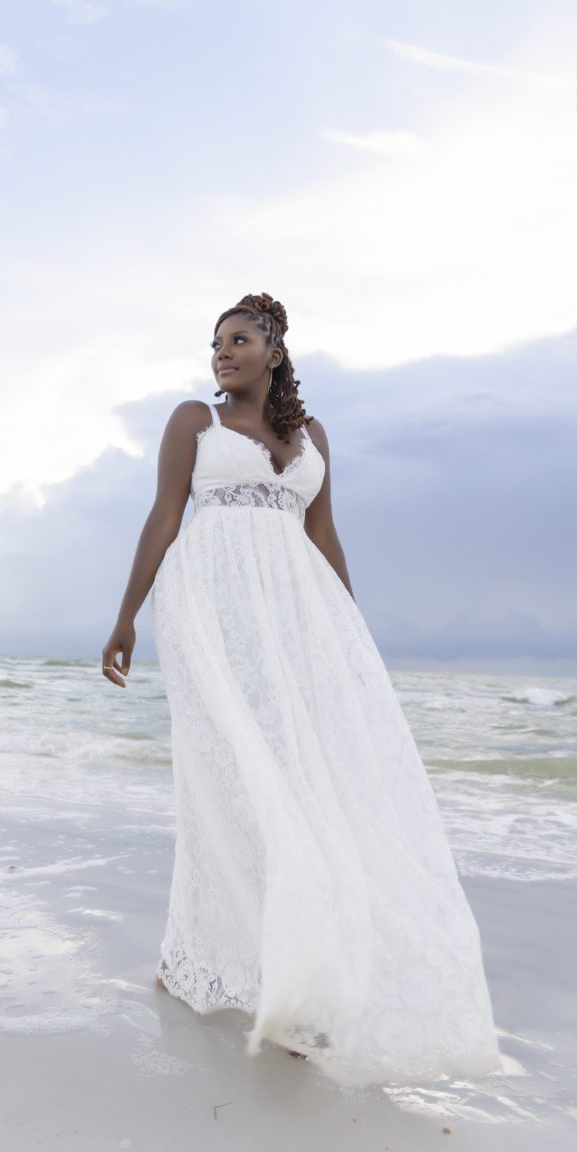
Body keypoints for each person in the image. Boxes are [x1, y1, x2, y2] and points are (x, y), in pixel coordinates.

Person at [101, 292, 502, 1087]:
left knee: (304, 786)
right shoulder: (194, 423)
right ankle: (260, 980)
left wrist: (350, 642)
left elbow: (323, 536)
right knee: (242, 782)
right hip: (210, 615)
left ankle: (269, 969)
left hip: (297, 624)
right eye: (217, 342)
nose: (223, 353)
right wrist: (126, 618)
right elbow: (163, 518)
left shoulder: (313, 437)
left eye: (240, 340)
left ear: (275, 352)